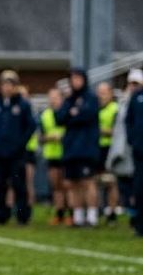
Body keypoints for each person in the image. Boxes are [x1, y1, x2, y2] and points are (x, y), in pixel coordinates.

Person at [0, 70, 36, 225]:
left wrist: (20, 144)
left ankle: (22, 216)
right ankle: (1, 216)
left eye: (10, 84)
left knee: (19, 185)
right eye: (4, 84)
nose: (7, 87)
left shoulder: (23, 105)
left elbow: (30, 126)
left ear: (15, 86)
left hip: (16, 154)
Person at [55, 68, 101, 227]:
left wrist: (73, 115)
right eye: (72, 78)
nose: (75, 81)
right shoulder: (69, 100)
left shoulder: (91, 98)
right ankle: (78, 216)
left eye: (78, 78)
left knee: (87, 181)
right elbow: (59, 117)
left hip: (86, 148)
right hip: (70, 149)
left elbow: (87, 115)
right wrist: (72, 113)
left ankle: (92, 216)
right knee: (72, 183)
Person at [108, 69, 143, 228]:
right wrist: (132, 140)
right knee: (132, 186)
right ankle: (136, 220)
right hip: (130, 150)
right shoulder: (128, 101)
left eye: (136, 83)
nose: (132, 86)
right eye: (130, 83)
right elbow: (127, 123)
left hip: (134, 149)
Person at [40, 88, 68, 225]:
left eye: (56, 97)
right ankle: (59, 212)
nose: (53, 100)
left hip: (66, 153)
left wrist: (63, 136)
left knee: (66, 184)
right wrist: (49, 137)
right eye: (51, 97)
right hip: (51, 153)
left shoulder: (67, 113)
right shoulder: (45, 114)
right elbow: (41, 136)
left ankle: (71, 213)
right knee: (56, 184)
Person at [96, 82, 120, 224]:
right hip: (96, 148)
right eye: (100, 92)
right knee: (96, 180)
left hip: (110, 148)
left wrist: (102, 131)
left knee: (111, 181)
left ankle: (112, 212)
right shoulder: (95, 108)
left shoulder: (115, 108)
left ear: (111, 93)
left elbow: (117, 131)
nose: (101, 95)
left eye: (104, 92)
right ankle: (98, 210)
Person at [125, 69, 143, 237]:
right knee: (138, 188)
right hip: (139, 151)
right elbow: (128, 121)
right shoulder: (134, 99)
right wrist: (133, 140)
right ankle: (139, 225)